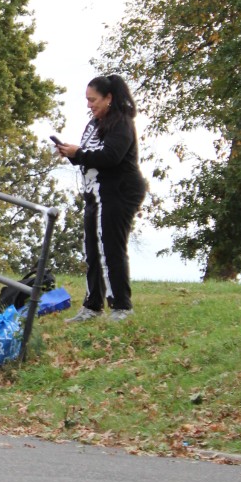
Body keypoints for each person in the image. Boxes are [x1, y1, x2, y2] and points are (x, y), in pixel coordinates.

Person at [54, 74, 147, 321]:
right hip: (95, 194)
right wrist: (71, 153)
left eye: (93, 100)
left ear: (109, 98)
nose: (89, 105)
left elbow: (111, 157)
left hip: (118, 192)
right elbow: (89, 155)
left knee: (110, 248)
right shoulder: (95, 123)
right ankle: (92, 306)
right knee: (92, 250)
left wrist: (79, 153)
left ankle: (121, 307)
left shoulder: (122, 123)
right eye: (87, 100)